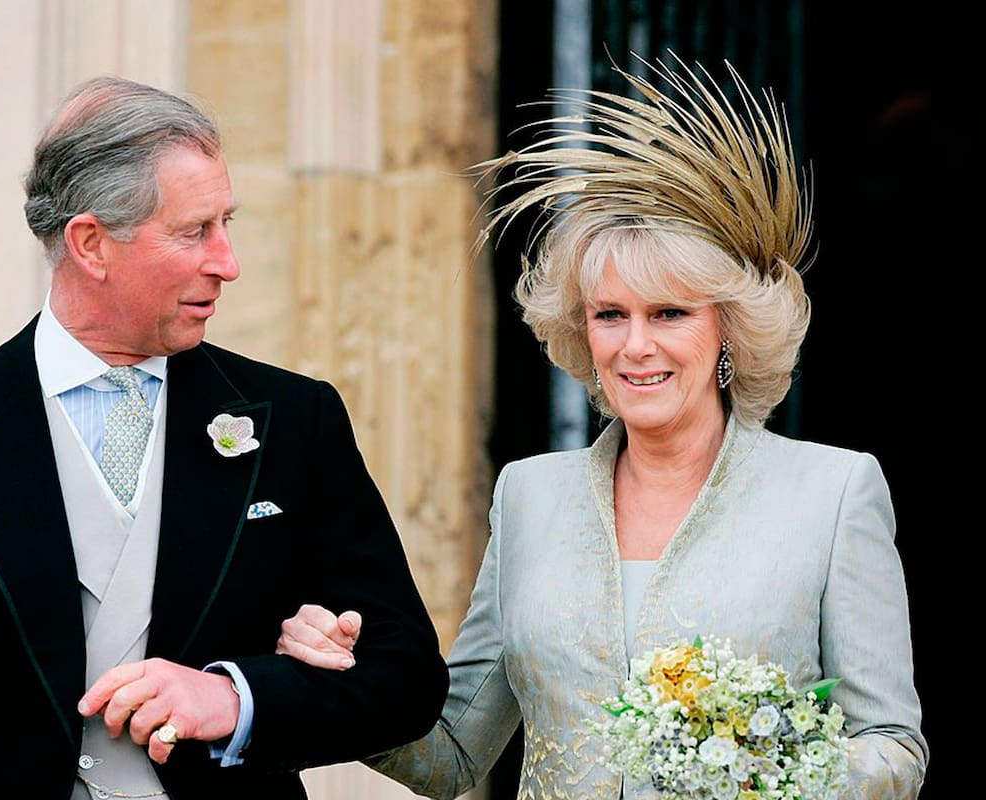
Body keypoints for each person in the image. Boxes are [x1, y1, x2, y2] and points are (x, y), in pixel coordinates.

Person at [275, 57, 928, 798]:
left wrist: (767, 773)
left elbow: (894, 749)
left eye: (669, 313)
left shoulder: (833, 493)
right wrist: (344, 683)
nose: (635, 345)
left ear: (729, 332)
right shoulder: (530, 496)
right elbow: (453, 754)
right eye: (610, 315)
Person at [0, 75, 447, 800]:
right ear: (91, 243)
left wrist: (237, 698)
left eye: (227, 223)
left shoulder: (294, 419)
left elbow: (405, 680)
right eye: (196, 231)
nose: (229, 261)